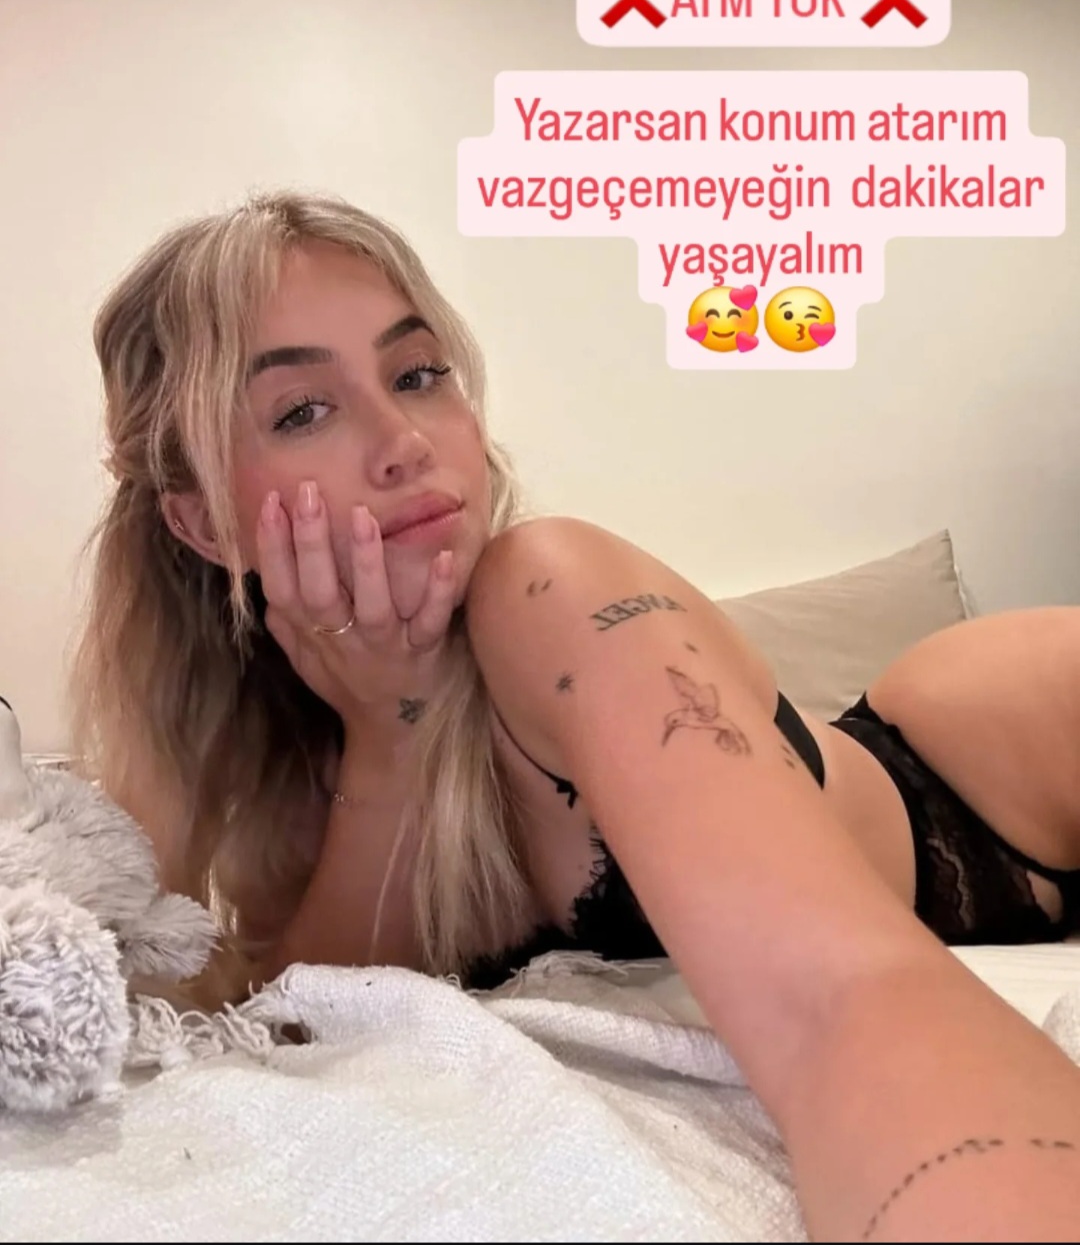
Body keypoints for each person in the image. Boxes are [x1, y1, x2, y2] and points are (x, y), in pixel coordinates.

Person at [68, 190, 1080, 1241]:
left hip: (993, 761)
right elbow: (307, 1017)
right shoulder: (248, 749)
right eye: (302, 411)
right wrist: (393, 730)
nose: (404, 439)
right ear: (201, 521)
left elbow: (842, 995)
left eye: (417, 374)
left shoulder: (549, 587)